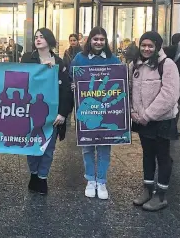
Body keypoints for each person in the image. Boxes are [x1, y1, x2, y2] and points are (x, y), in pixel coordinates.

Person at [69, 26, 121, 200]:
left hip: (107, 111)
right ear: (89, 40)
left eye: (102, 39)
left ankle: (102, 181)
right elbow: (71, 77)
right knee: (88, 148)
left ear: (106, 41)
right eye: (95, 39)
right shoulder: (80, 58)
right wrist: (74, 86)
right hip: (87, 110)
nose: (98, 42)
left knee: (105, 148)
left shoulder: (114, 60)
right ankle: (90, 179)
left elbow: (120, 83)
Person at [130, 31, 179, 212]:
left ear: (157, 46)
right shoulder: (134, 65)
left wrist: (148, 114)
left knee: (163, 156)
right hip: (142, 120)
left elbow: (170, 95)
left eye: (150, 46)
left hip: (161, 120)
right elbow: (128, 90)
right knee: (147, 154)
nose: (146, 49)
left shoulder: (167, 65)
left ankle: (161, 195)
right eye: (143, 45)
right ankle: (147, 189)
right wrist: (132, 111)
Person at [21, 28, 73, 195]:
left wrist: (63, 113)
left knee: (48, 148)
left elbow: (66, 90)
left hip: (52, 114)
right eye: (36, 37)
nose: (38, 39)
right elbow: (21, 80)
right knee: (32, 146)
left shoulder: (59, 61)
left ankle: (43, 177)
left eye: (42, 37)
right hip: (31, 112)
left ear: (49, 40)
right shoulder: (28, 58)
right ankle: (34, 174)